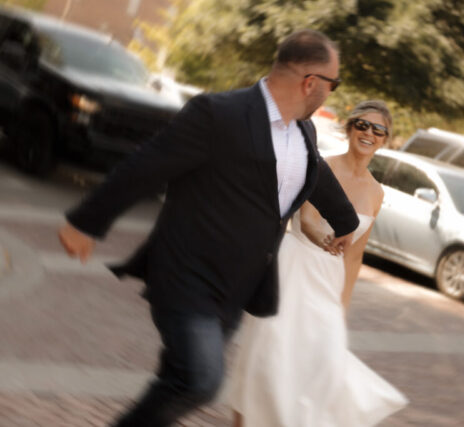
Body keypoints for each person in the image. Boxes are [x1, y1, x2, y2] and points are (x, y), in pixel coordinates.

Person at [57, 29, 360, 427]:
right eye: (332, 84)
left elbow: (314, 173)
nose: (331, 93)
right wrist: (86, 222)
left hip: (237, 288)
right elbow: (148, 165)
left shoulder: (303, 132)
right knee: (201, 380)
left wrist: (347, 221)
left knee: (178, 379)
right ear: (311, 82)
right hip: (187, 276)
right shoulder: (219, 114)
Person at [227, 100, 408, 427]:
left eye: (378, 129)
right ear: (350, 128)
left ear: (385, 139)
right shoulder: (322, 165)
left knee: (320, 364)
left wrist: (343, 307)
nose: (369, 133)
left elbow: (355, 255)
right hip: (293, 268)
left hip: (328, 282)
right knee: (266, 355)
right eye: (362, 125)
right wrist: (324, 237)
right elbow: (307, 219)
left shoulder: (377, 193)